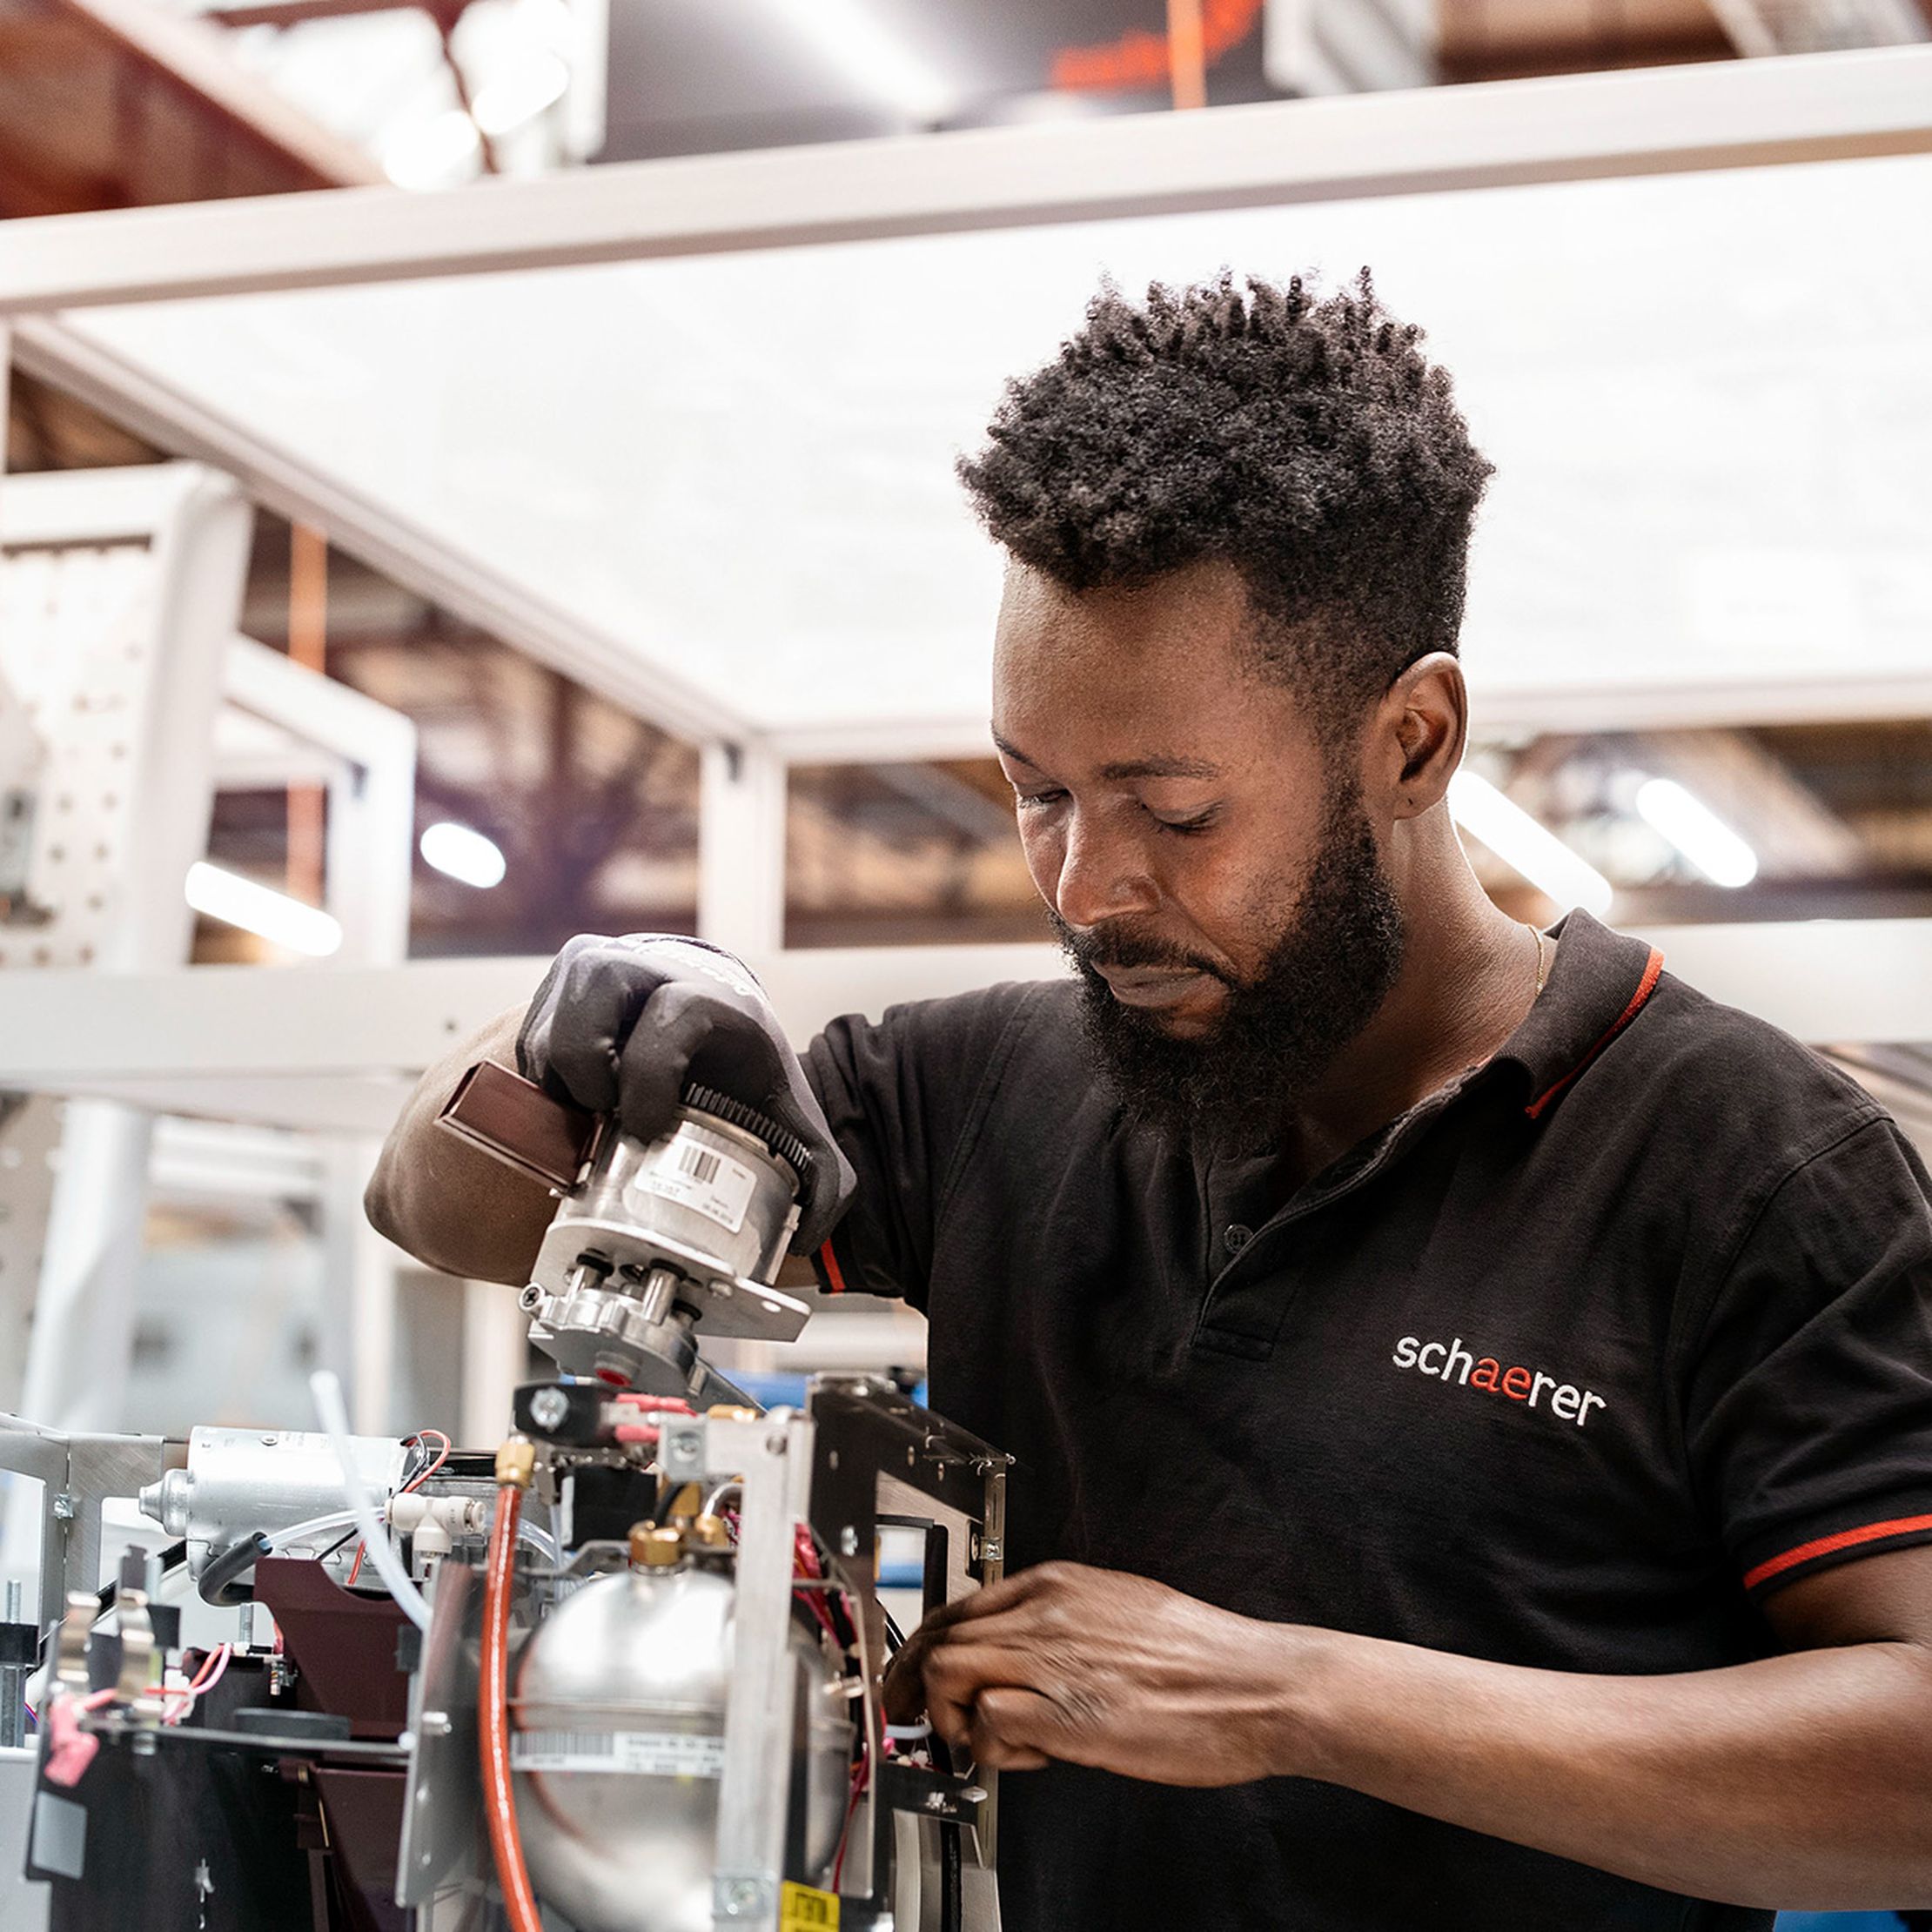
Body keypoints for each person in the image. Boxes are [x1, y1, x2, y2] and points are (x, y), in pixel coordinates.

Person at [366, 272, 1932, 1931]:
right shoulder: (986, 1092)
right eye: (1036, 790)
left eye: (1174, 810)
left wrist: (1281, 1699)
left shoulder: (1747, 1168)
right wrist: (558, 1041)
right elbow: (443, 1211)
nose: (1087, 884)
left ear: (1412, 738)